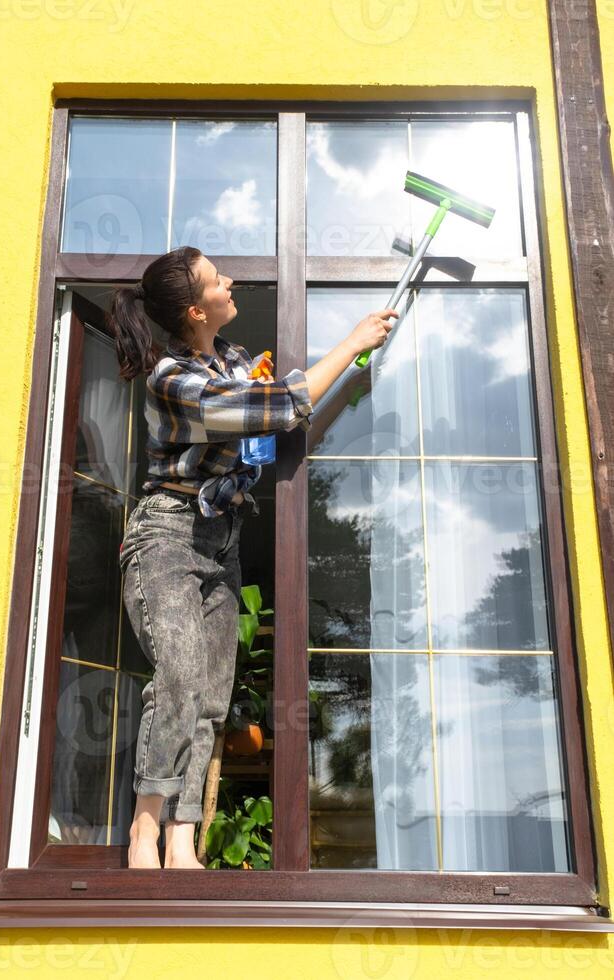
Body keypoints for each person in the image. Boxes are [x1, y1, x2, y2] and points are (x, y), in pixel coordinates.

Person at [107, 244, 397, 869]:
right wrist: (349, 341)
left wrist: (346, 384)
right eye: (218, 279)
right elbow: (274, 408)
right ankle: (144, 828)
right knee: (181, 674)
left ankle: (182, 834)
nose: (231, 280)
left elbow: (280, 424)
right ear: (194, 309)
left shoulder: (235, 361)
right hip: (169, 535)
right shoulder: (172, 377)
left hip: (222, 538)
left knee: (211, 695)